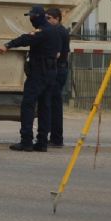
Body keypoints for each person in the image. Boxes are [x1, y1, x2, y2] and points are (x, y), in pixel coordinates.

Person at [0, 5, 60, 152]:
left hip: (39, 73)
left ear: (37, 17)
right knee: (45, 107)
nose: (31, 19)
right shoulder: (56, 31)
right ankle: (42, 141)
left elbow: (26, 39)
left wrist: (8, 45)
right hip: (51, 73)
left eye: (32, 17)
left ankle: (26, 141)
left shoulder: (43, 31)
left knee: (28, 106)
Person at [44, 8, 70, 147]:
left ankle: (56, 137)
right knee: (54, 104)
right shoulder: (60, 31)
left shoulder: (58, 32)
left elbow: (57, 53)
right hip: (60, 68)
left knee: (54, 104)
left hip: (58, 69)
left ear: (57, 18)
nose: (46, 21)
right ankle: (55, 136)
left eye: (48, 18)